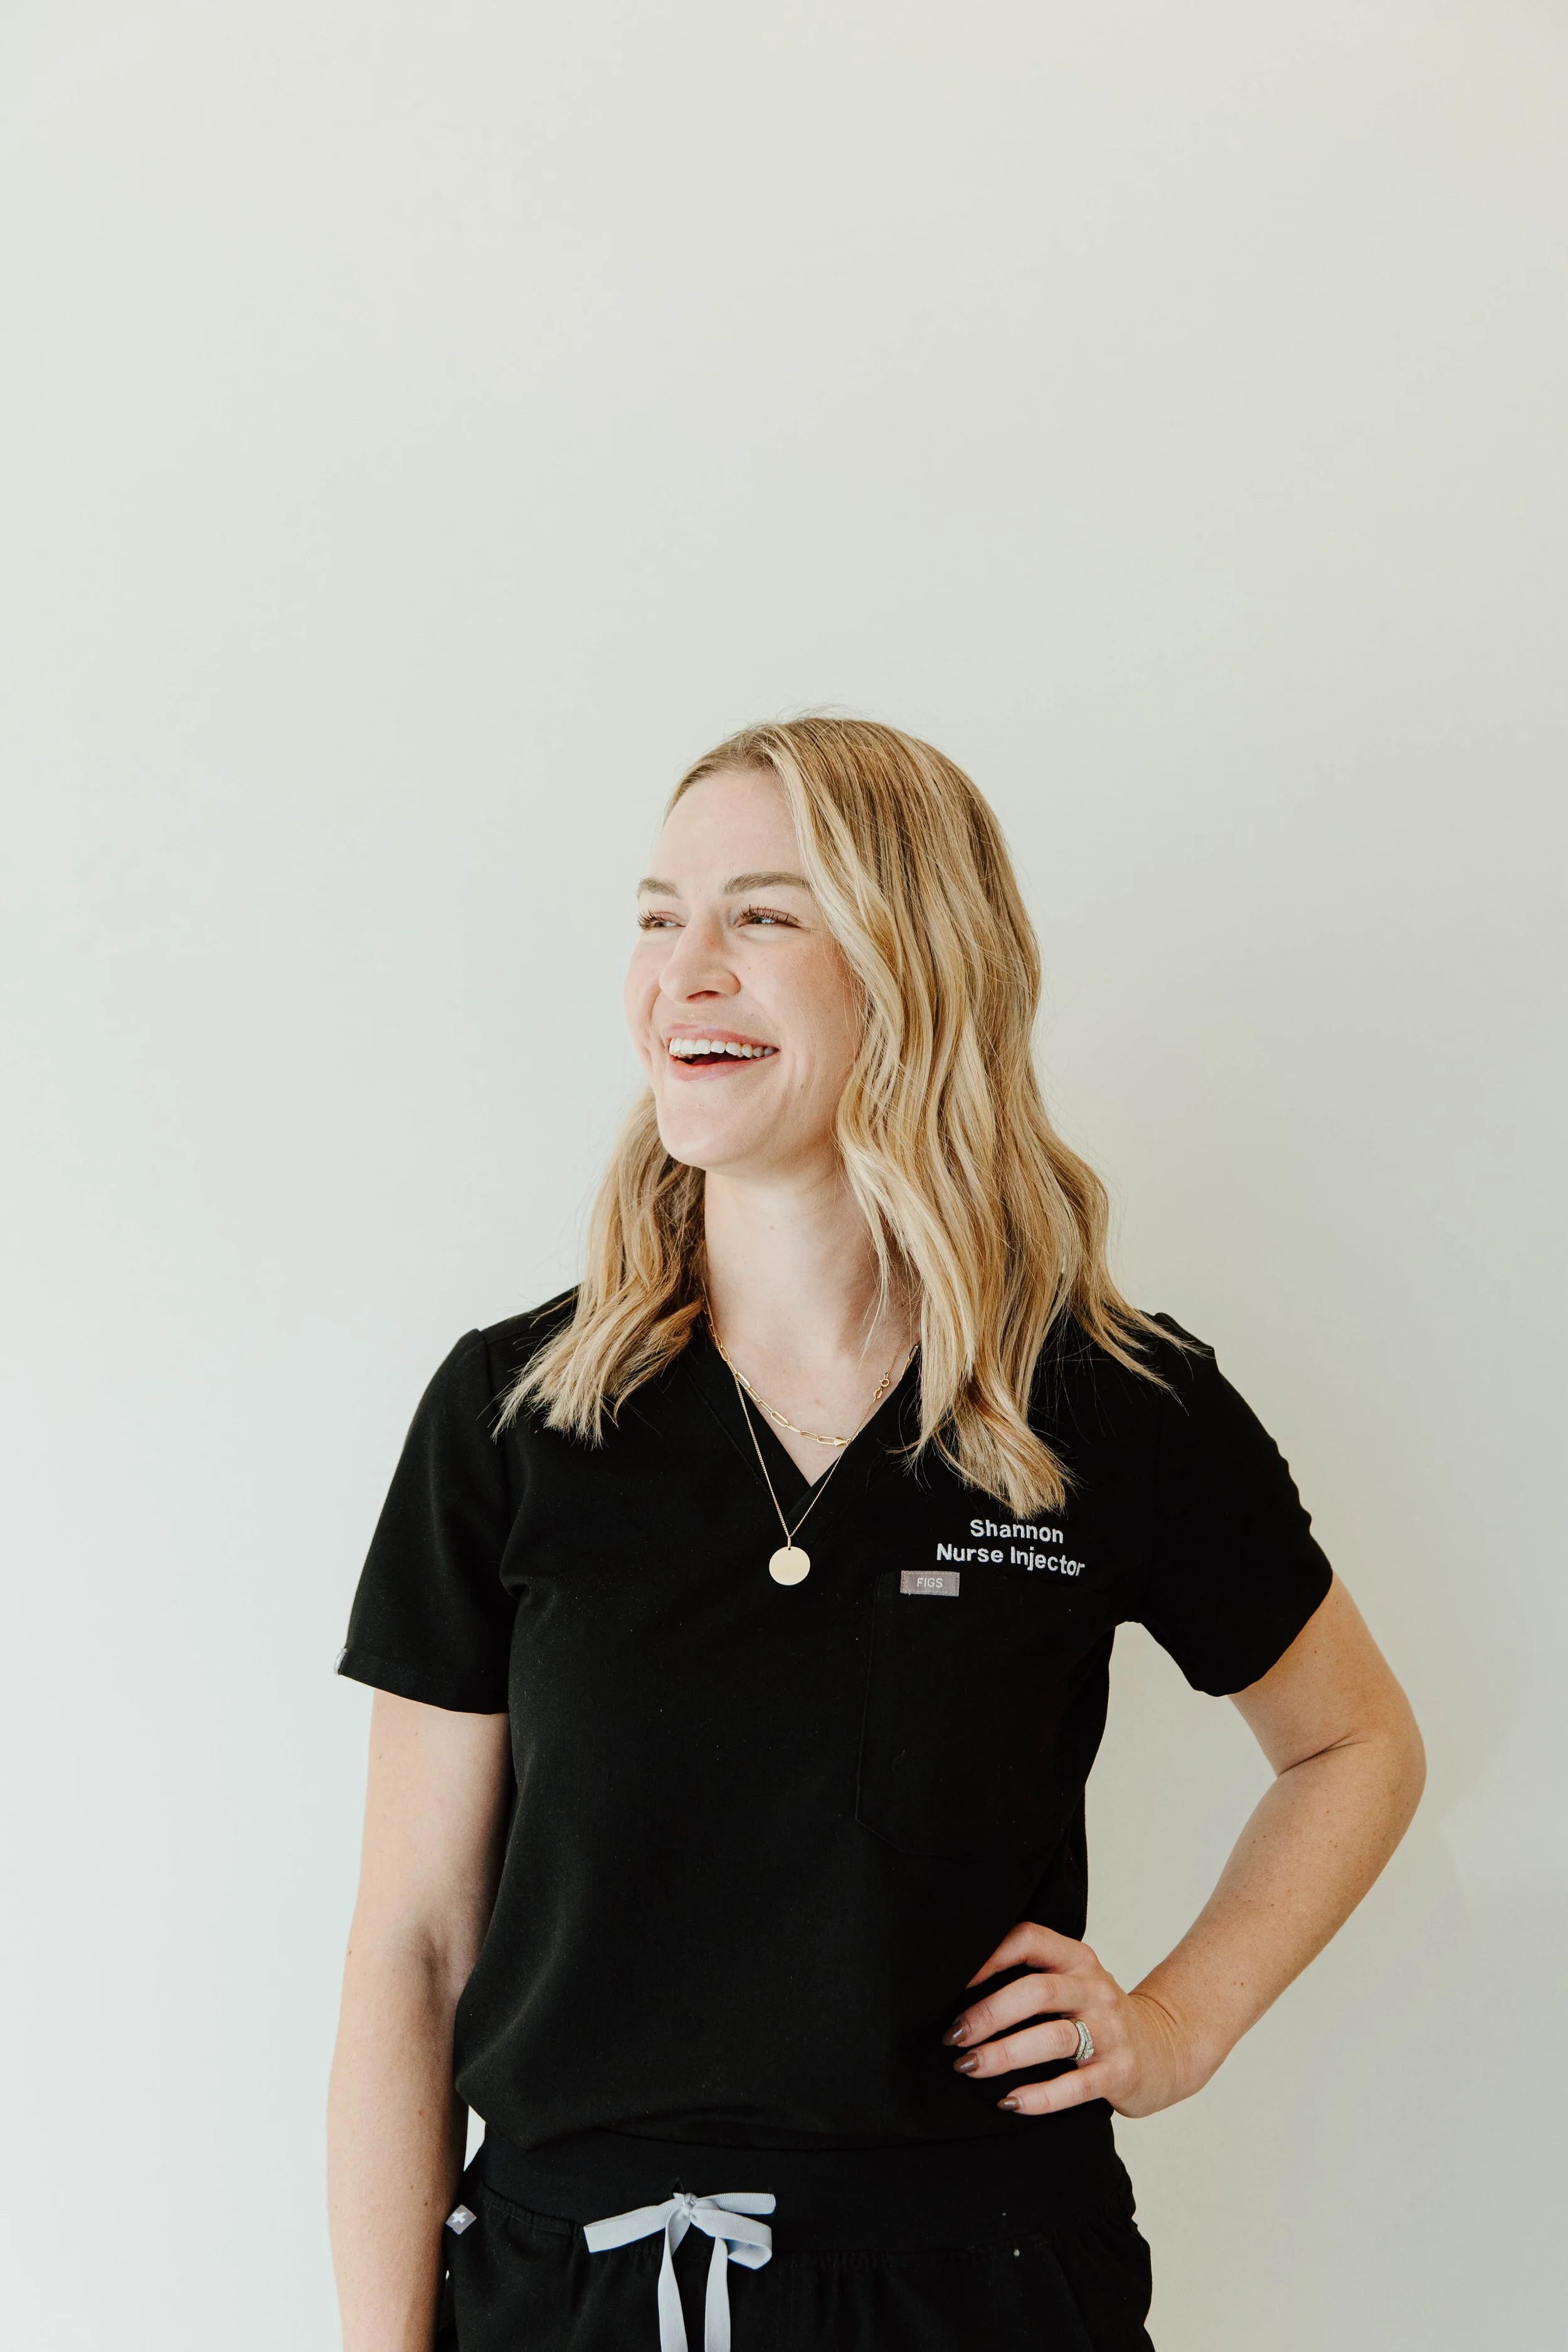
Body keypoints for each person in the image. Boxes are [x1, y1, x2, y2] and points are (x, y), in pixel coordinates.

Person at [326, 717, 1425, 2352]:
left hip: (978, 2286)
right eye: (656, 913)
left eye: (761, 914)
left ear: (916, 963)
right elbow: (414, 1949)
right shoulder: (516, 1412)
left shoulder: (1114, 1405)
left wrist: (1176, 2024)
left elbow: (1351, 1743)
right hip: (571, 2297)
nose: (682, 968)